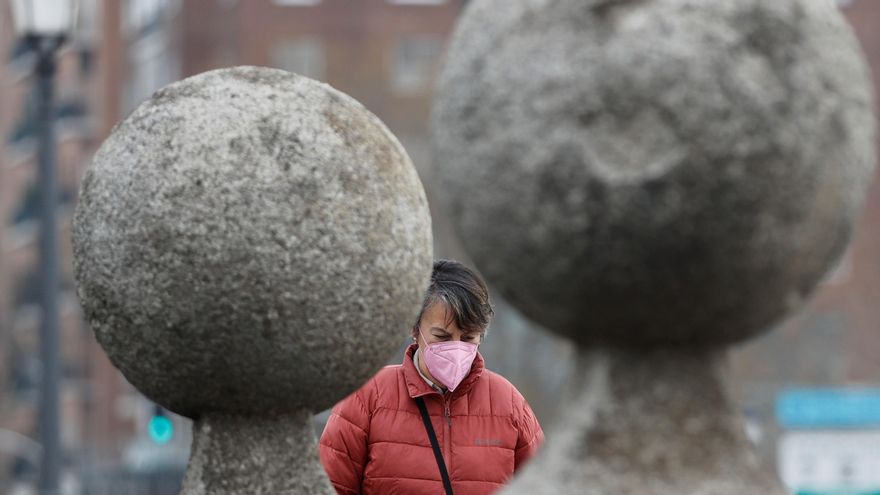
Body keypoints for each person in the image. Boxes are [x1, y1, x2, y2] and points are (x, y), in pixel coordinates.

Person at [319, 259, 544, 495]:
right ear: (415, 329)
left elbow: (545, 485)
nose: (456, 348)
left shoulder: (508, 403)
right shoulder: (368, 398)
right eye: (442, 336)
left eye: (468, 338)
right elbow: (328, 487)